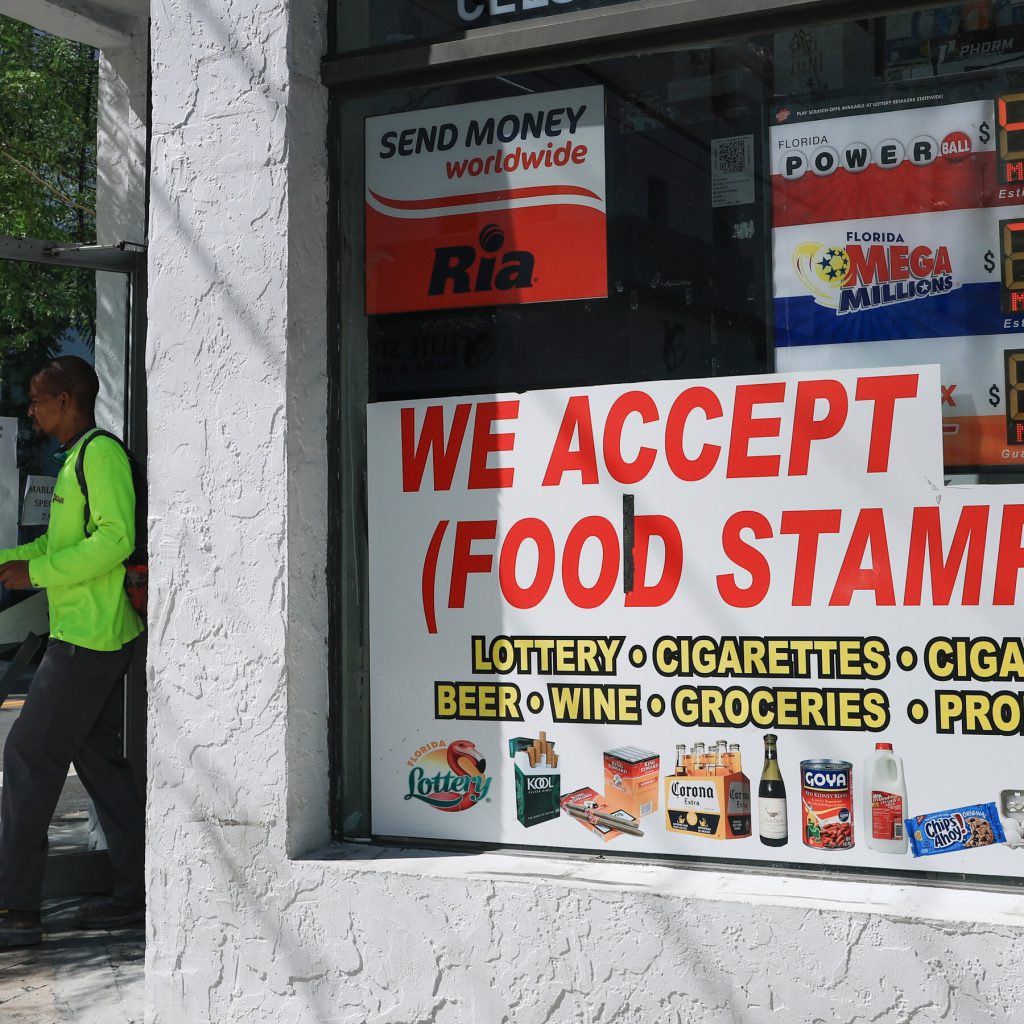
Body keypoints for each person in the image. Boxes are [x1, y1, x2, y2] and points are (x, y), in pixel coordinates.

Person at [0, 356, 145, 947]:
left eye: (37, 401)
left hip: (89, 640)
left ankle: (17, 910)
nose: (31, 412)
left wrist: (35, 570)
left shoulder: (99, 455)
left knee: (28, 756)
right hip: (91, 635)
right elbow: (72, 541)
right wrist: (21, 564)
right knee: (103, 770)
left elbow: (117, 538)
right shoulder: (74, 461)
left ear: (65, 399)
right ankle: (139, 892)